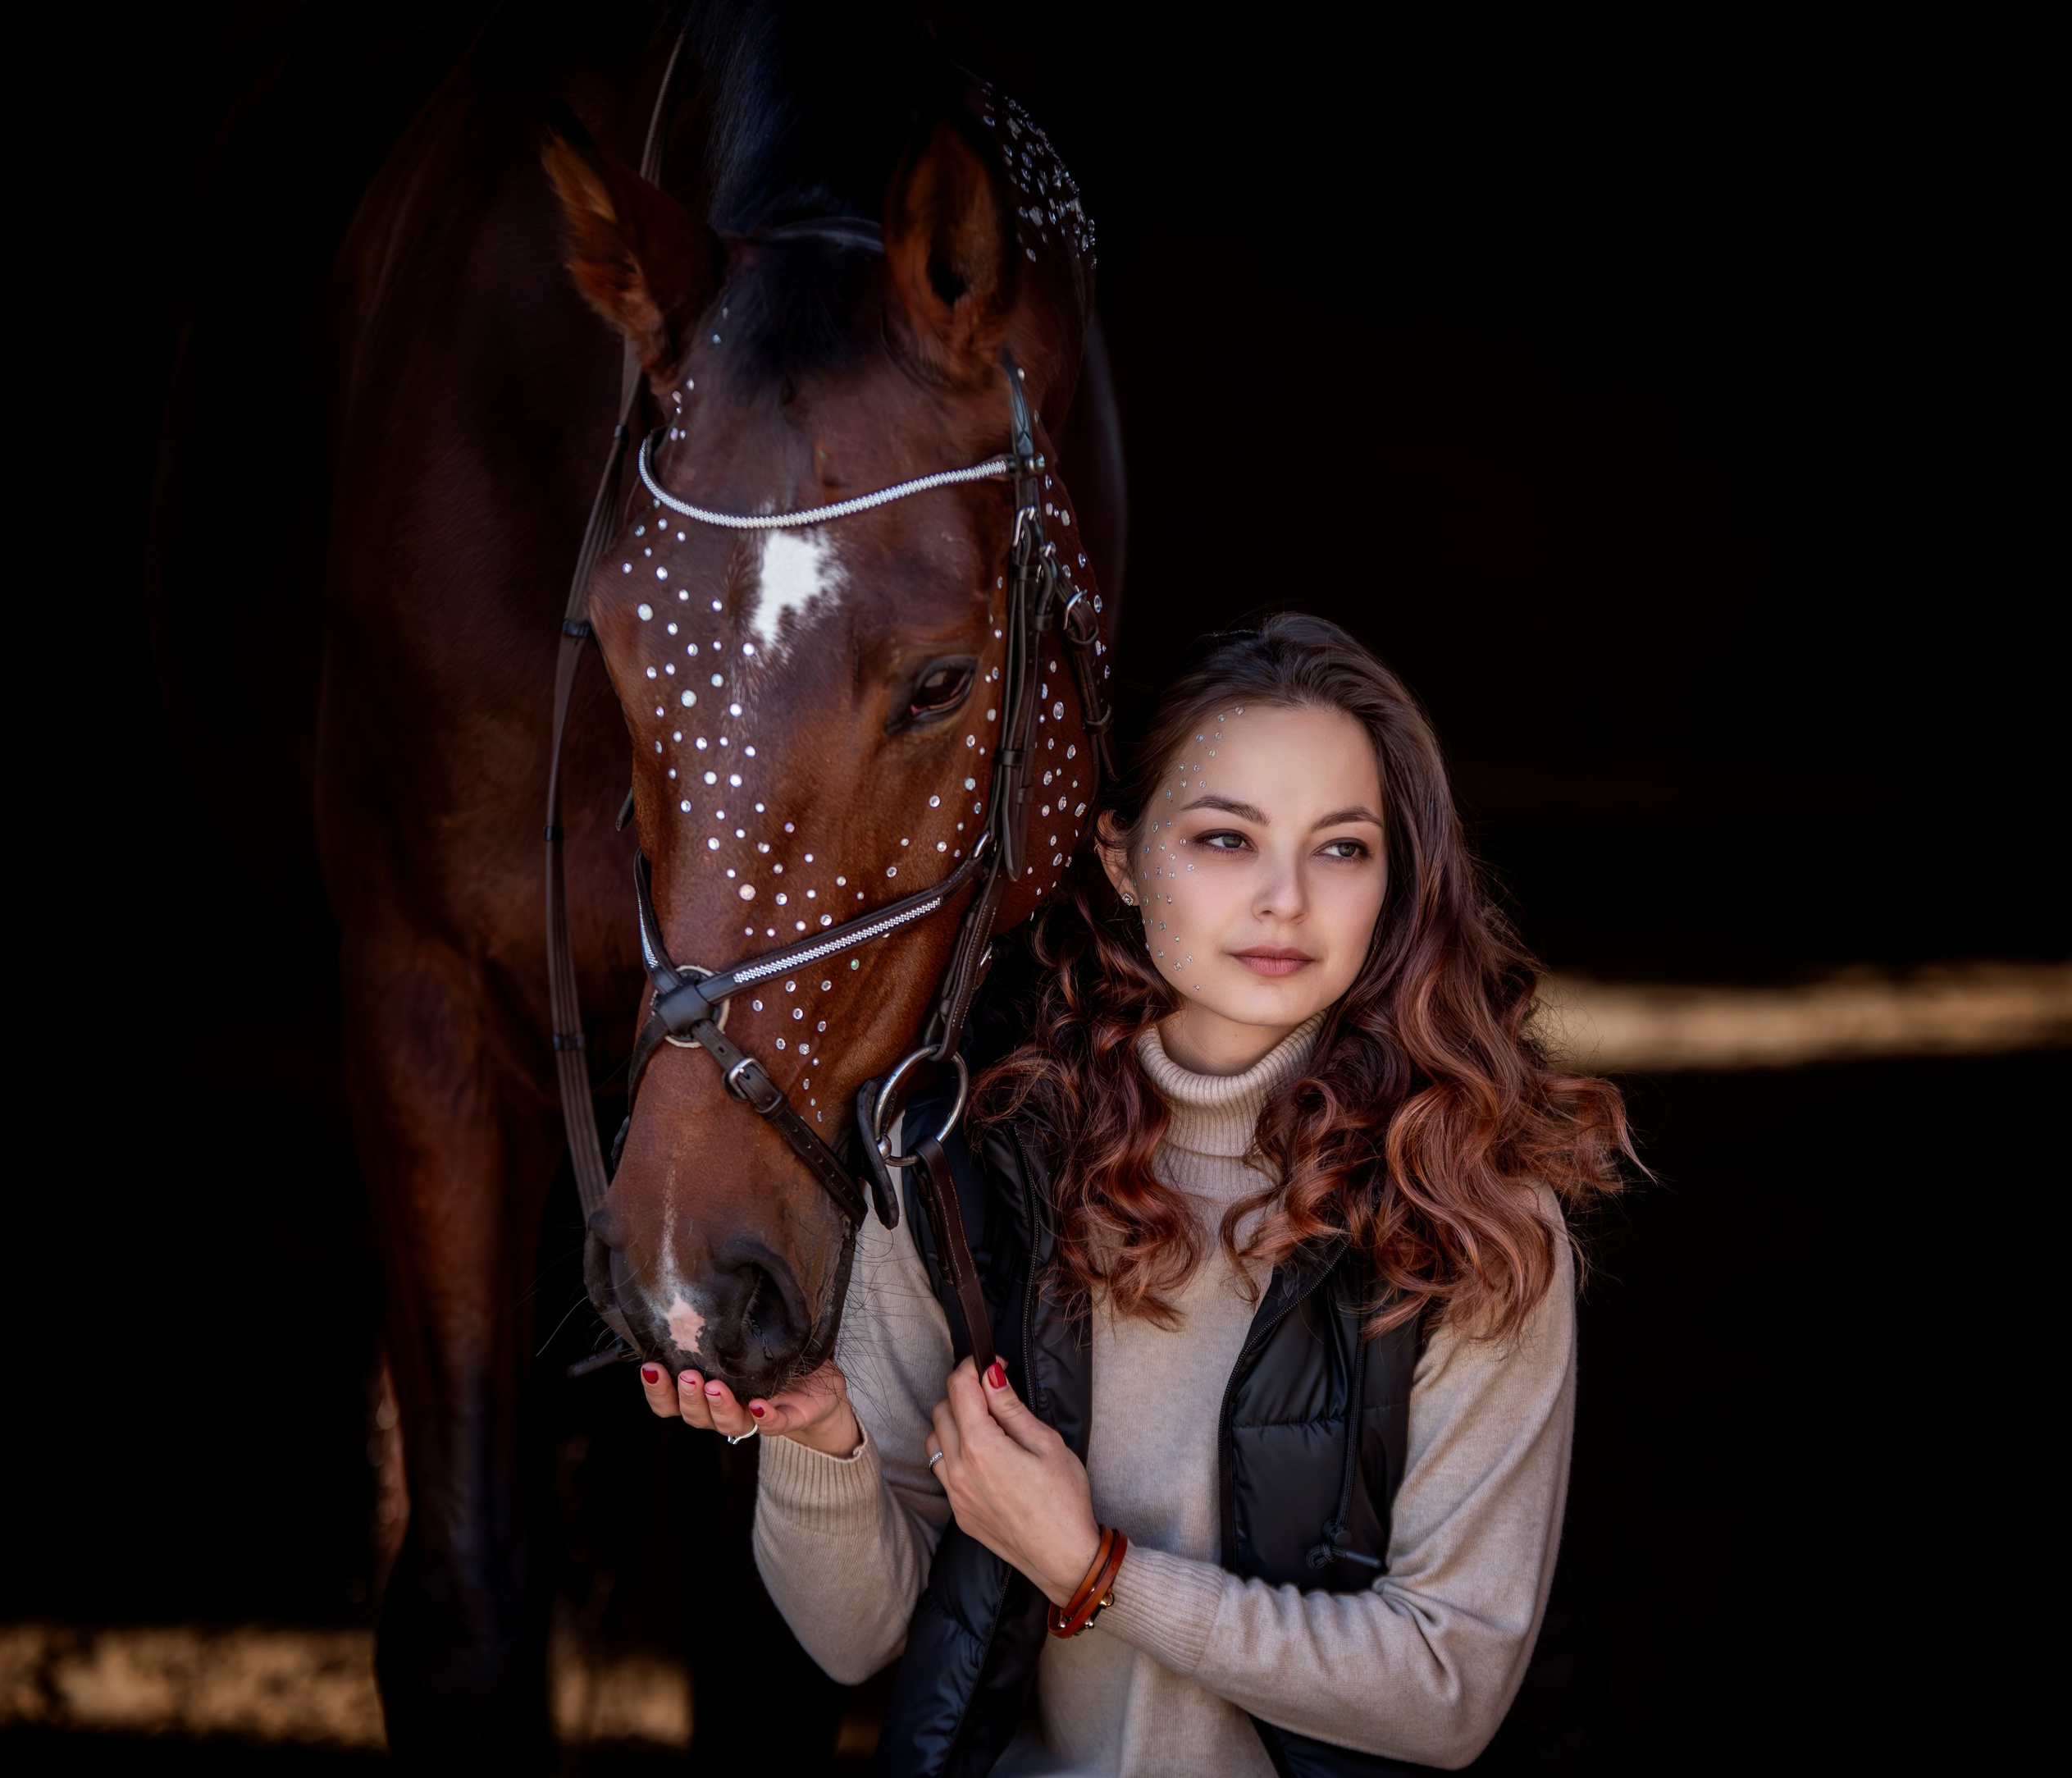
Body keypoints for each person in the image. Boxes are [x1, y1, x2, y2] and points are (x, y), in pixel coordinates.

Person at [641, 613, 1634, 1774]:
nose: (1284, 899)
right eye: (1225, 840)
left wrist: (1097, 1573)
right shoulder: (965, 1168)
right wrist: (818, 1441)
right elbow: (857, 1640)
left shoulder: (1468, 1213)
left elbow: (1445, 1691)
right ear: (1119, 854)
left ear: (1396, 876)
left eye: (1342, 847)